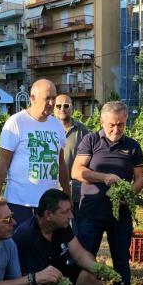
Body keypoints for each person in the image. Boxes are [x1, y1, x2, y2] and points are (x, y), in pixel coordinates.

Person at [73, 101, 143, 285]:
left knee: (121, 261)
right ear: (102, 121)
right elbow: (77, 171)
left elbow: (140, 179)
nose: (116, 129)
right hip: (91, 213)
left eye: (121, 125)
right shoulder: (91, 140)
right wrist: (103, 177)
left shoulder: (132, 146)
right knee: (85, 260)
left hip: (120, 214)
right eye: (112, 124)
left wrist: (129, 193)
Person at [13, 189, 106, 285]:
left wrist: (98, 269)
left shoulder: (61, 224)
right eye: (65, 212)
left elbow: (79, 254)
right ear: (48, 215)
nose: (71, 216)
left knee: (92, 277)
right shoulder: (27, 236)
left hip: (59, 278)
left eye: (70, 210)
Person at [0, 79, 70, 226]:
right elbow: (3, 161)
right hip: (21, 204)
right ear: (32, 98)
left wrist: (67, 195)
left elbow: (60, 163)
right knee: (21, 246)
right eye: (47, 98)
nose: (52, 103)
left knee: (48, 246)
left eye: (54, 98)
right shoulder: (16, 122)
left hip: (49, 205)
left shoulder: (57, 126)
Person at [54, 94, 90, 227]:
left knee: (77, 228)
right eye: (58, 106)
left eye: (66, 105)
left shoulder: (82, 131)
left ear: (72, 108)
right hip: (53, 188)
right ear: (53, 108)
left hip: (76, 190)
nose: (62, 108)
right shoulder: (48, 129)